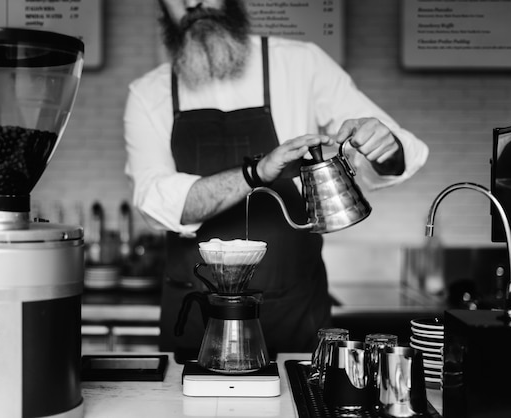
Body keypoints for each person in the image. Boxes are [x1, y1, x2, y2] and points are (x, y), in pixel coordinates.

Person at [124, 0, 429, 358]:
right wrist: (255, 172)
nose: (193, 3)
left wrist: (383, 144)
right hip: (195, 313)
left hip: (294, 312)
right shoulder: (148, 93)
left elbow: (398, 154)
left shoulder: (301, 64)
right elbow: (154, 202)